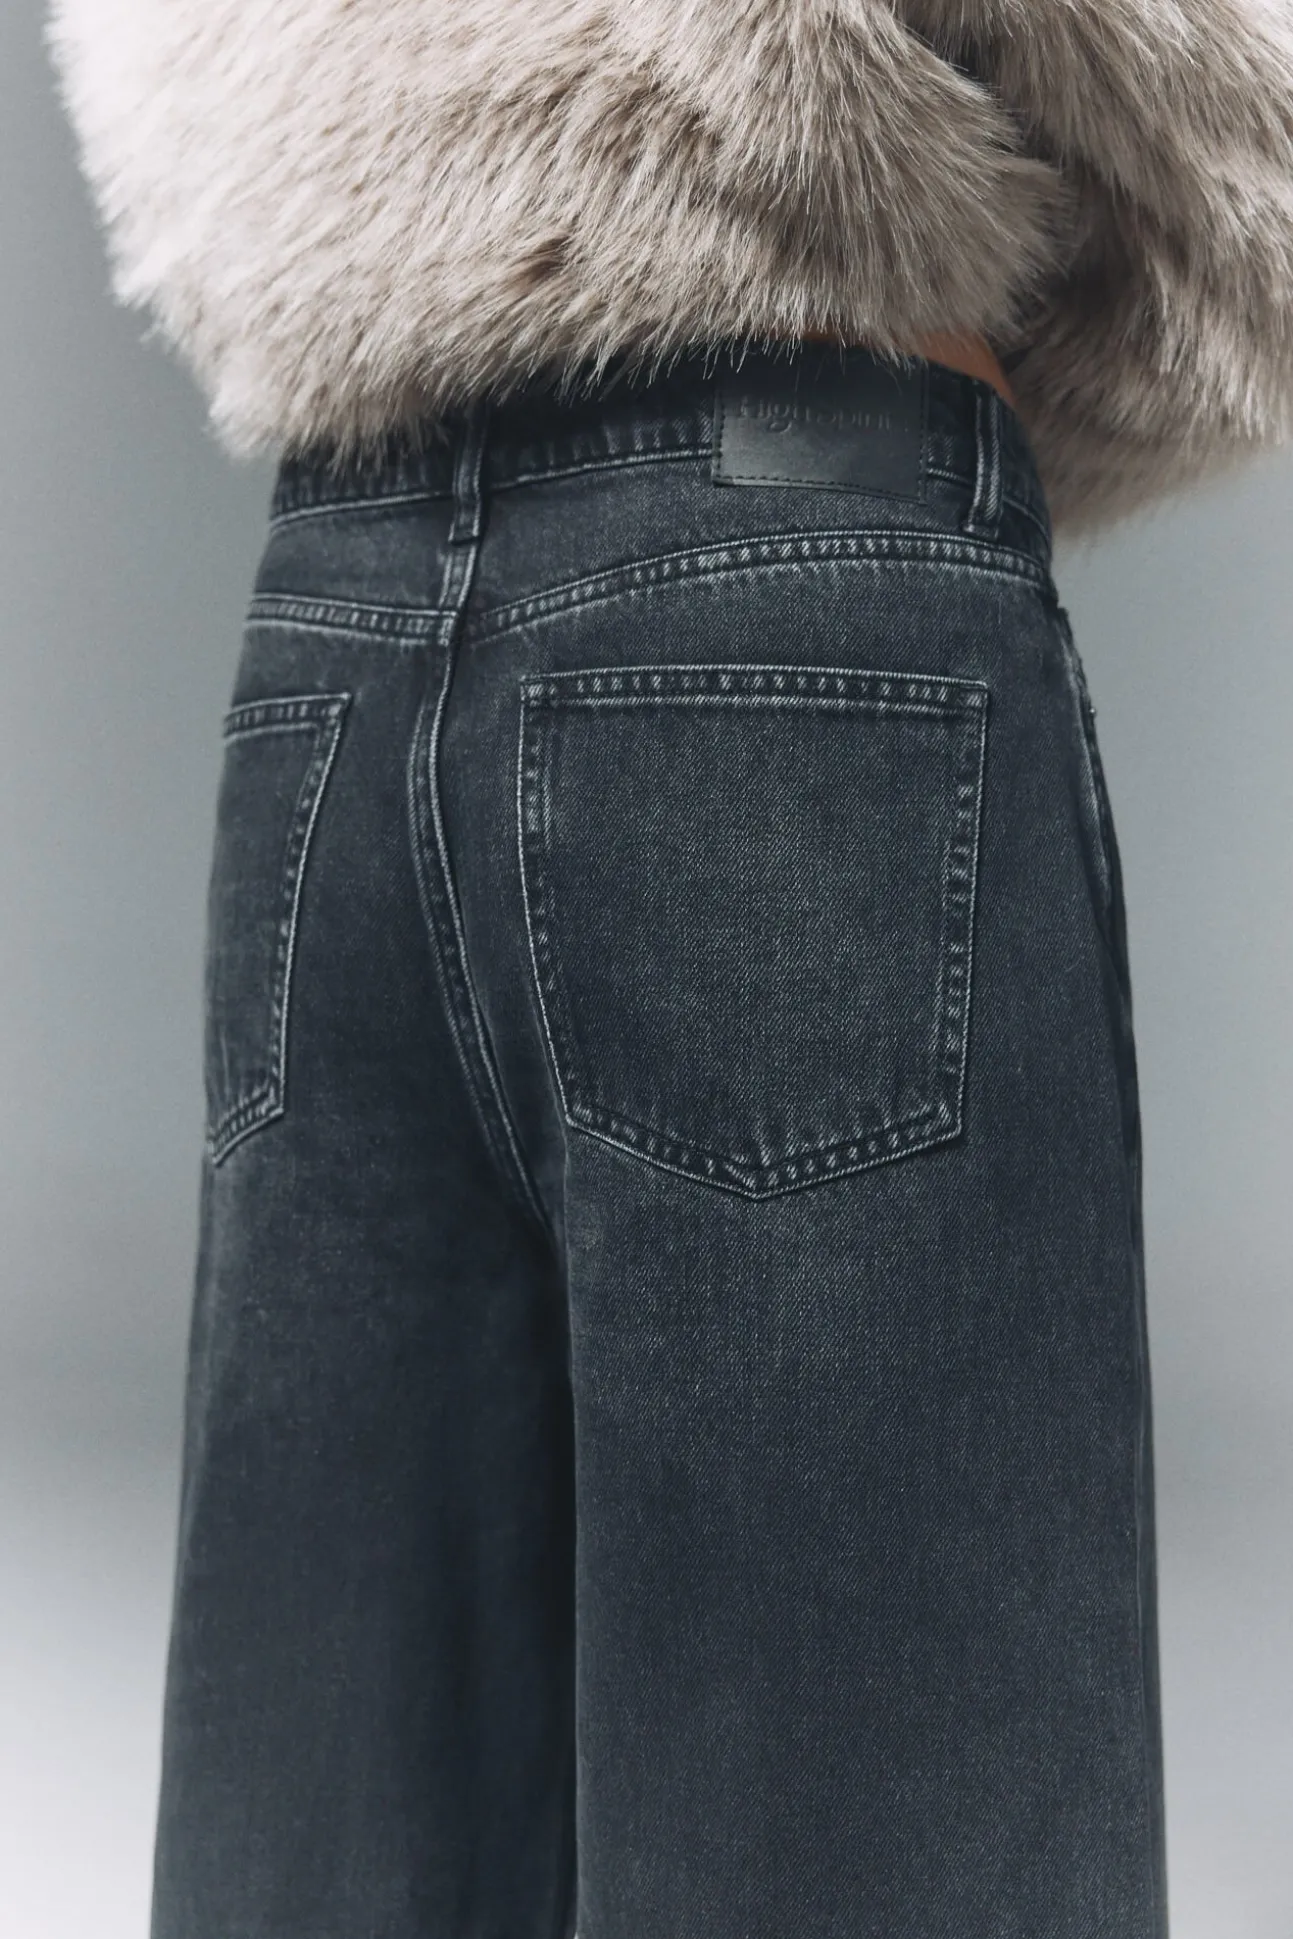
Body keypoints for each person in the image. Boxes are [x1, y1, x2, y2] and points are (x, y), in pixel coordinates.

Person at [44, 4, 1293, 1935]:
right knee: (879, 1845)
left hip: (335, 629)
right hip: (788, 615)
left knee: (335, 1837)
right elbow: (1243, 187)